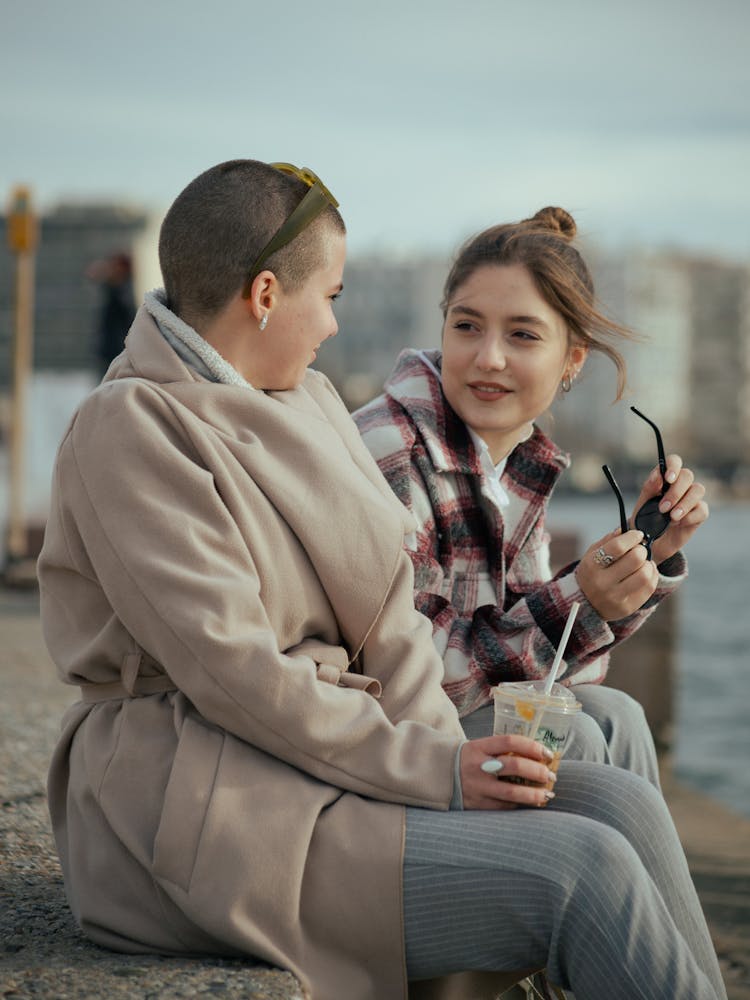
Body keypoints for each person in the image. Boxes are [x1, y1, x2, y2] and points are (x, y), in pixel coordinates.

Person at [38, 162, 725, 1000]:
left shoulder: (311, 401)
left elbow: (392, 629)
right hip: (197, 807)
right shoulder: (130, 428)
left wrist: (454, 751)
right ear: (264, 295)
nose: (333, 322)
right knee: (585, 871)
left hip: (317, 766)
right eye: (328, 295)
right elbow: (237, 676)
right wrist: (439, 772)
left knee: (621, 809)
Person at [354, 208, 708, 786]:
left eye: (522, 334)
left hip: (444, 714)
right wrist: (583, 598)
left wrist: (643, 559)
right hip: (383, 744)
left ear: (572, 359)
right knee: (584, 738)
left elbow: (558, 675)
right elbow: (419, 674)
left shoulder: (518, 458)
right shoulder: (388, 447)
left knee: (617, 716)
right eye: (466, 326)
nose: (488, 357)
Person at [86, 251, 137, 377]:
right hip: (111, 352)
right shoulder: (115, 290)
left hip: (118, 352)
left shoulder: (122, 292)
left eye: (115, 266)